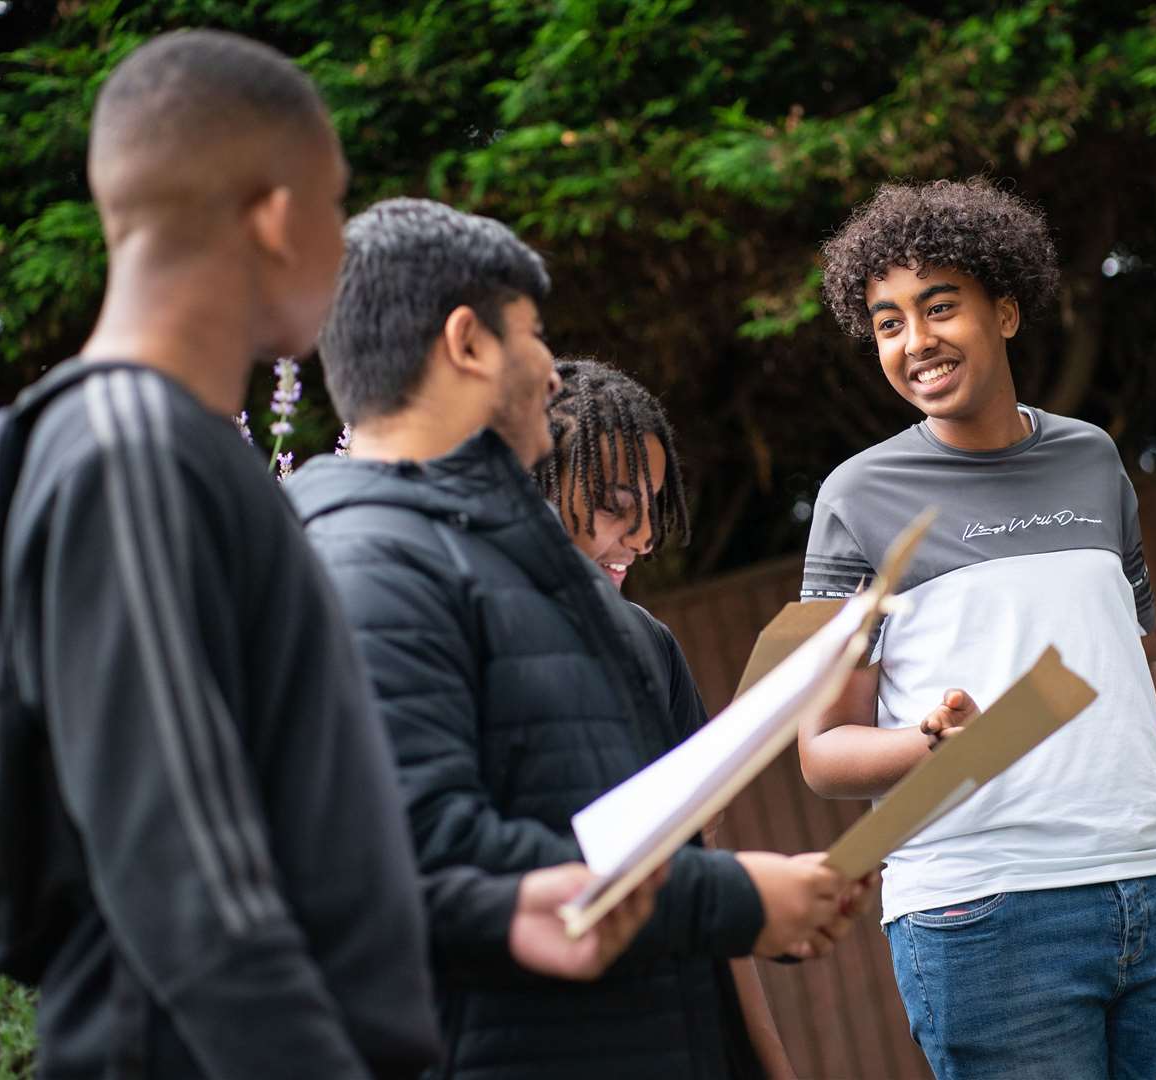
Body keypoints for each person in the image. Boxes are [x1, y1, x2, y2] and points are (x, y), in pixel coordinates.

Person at [0, 31, 654, 1080]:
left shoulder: (43, 463)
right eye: (335, 202)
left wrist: (486, 907)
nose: (342, 243)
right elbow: (189, 886)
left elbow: (89, 879)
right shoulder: (135, 457)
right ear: (274, 213)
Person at [287, 197, 863, 1079]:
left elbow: (632, 847)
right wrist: (737, 900)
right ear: (469, 343)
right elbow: (430, 854)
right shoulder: (368, 563)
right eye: (534, 333)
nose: (553, 374)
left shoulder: (533, 577)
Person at [799, 177, 1156, 1080]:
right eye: (889, 322)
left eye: (941, 307)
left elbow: (1137, 665)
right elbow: (822, 754)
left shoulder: (1091, 458)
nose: (916, 341)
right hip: (985, 917)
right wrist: (928, 743)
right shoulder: (858, 499)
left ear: (1006, 311)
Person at [533, 356, 799, 1078]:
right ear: (539, 482)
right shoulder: (484, 648)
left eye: (654, 505)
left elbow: (699, 859)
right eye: (619, 502)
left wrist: (769, 1058)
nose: (646, 535)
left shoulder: (651, 646)